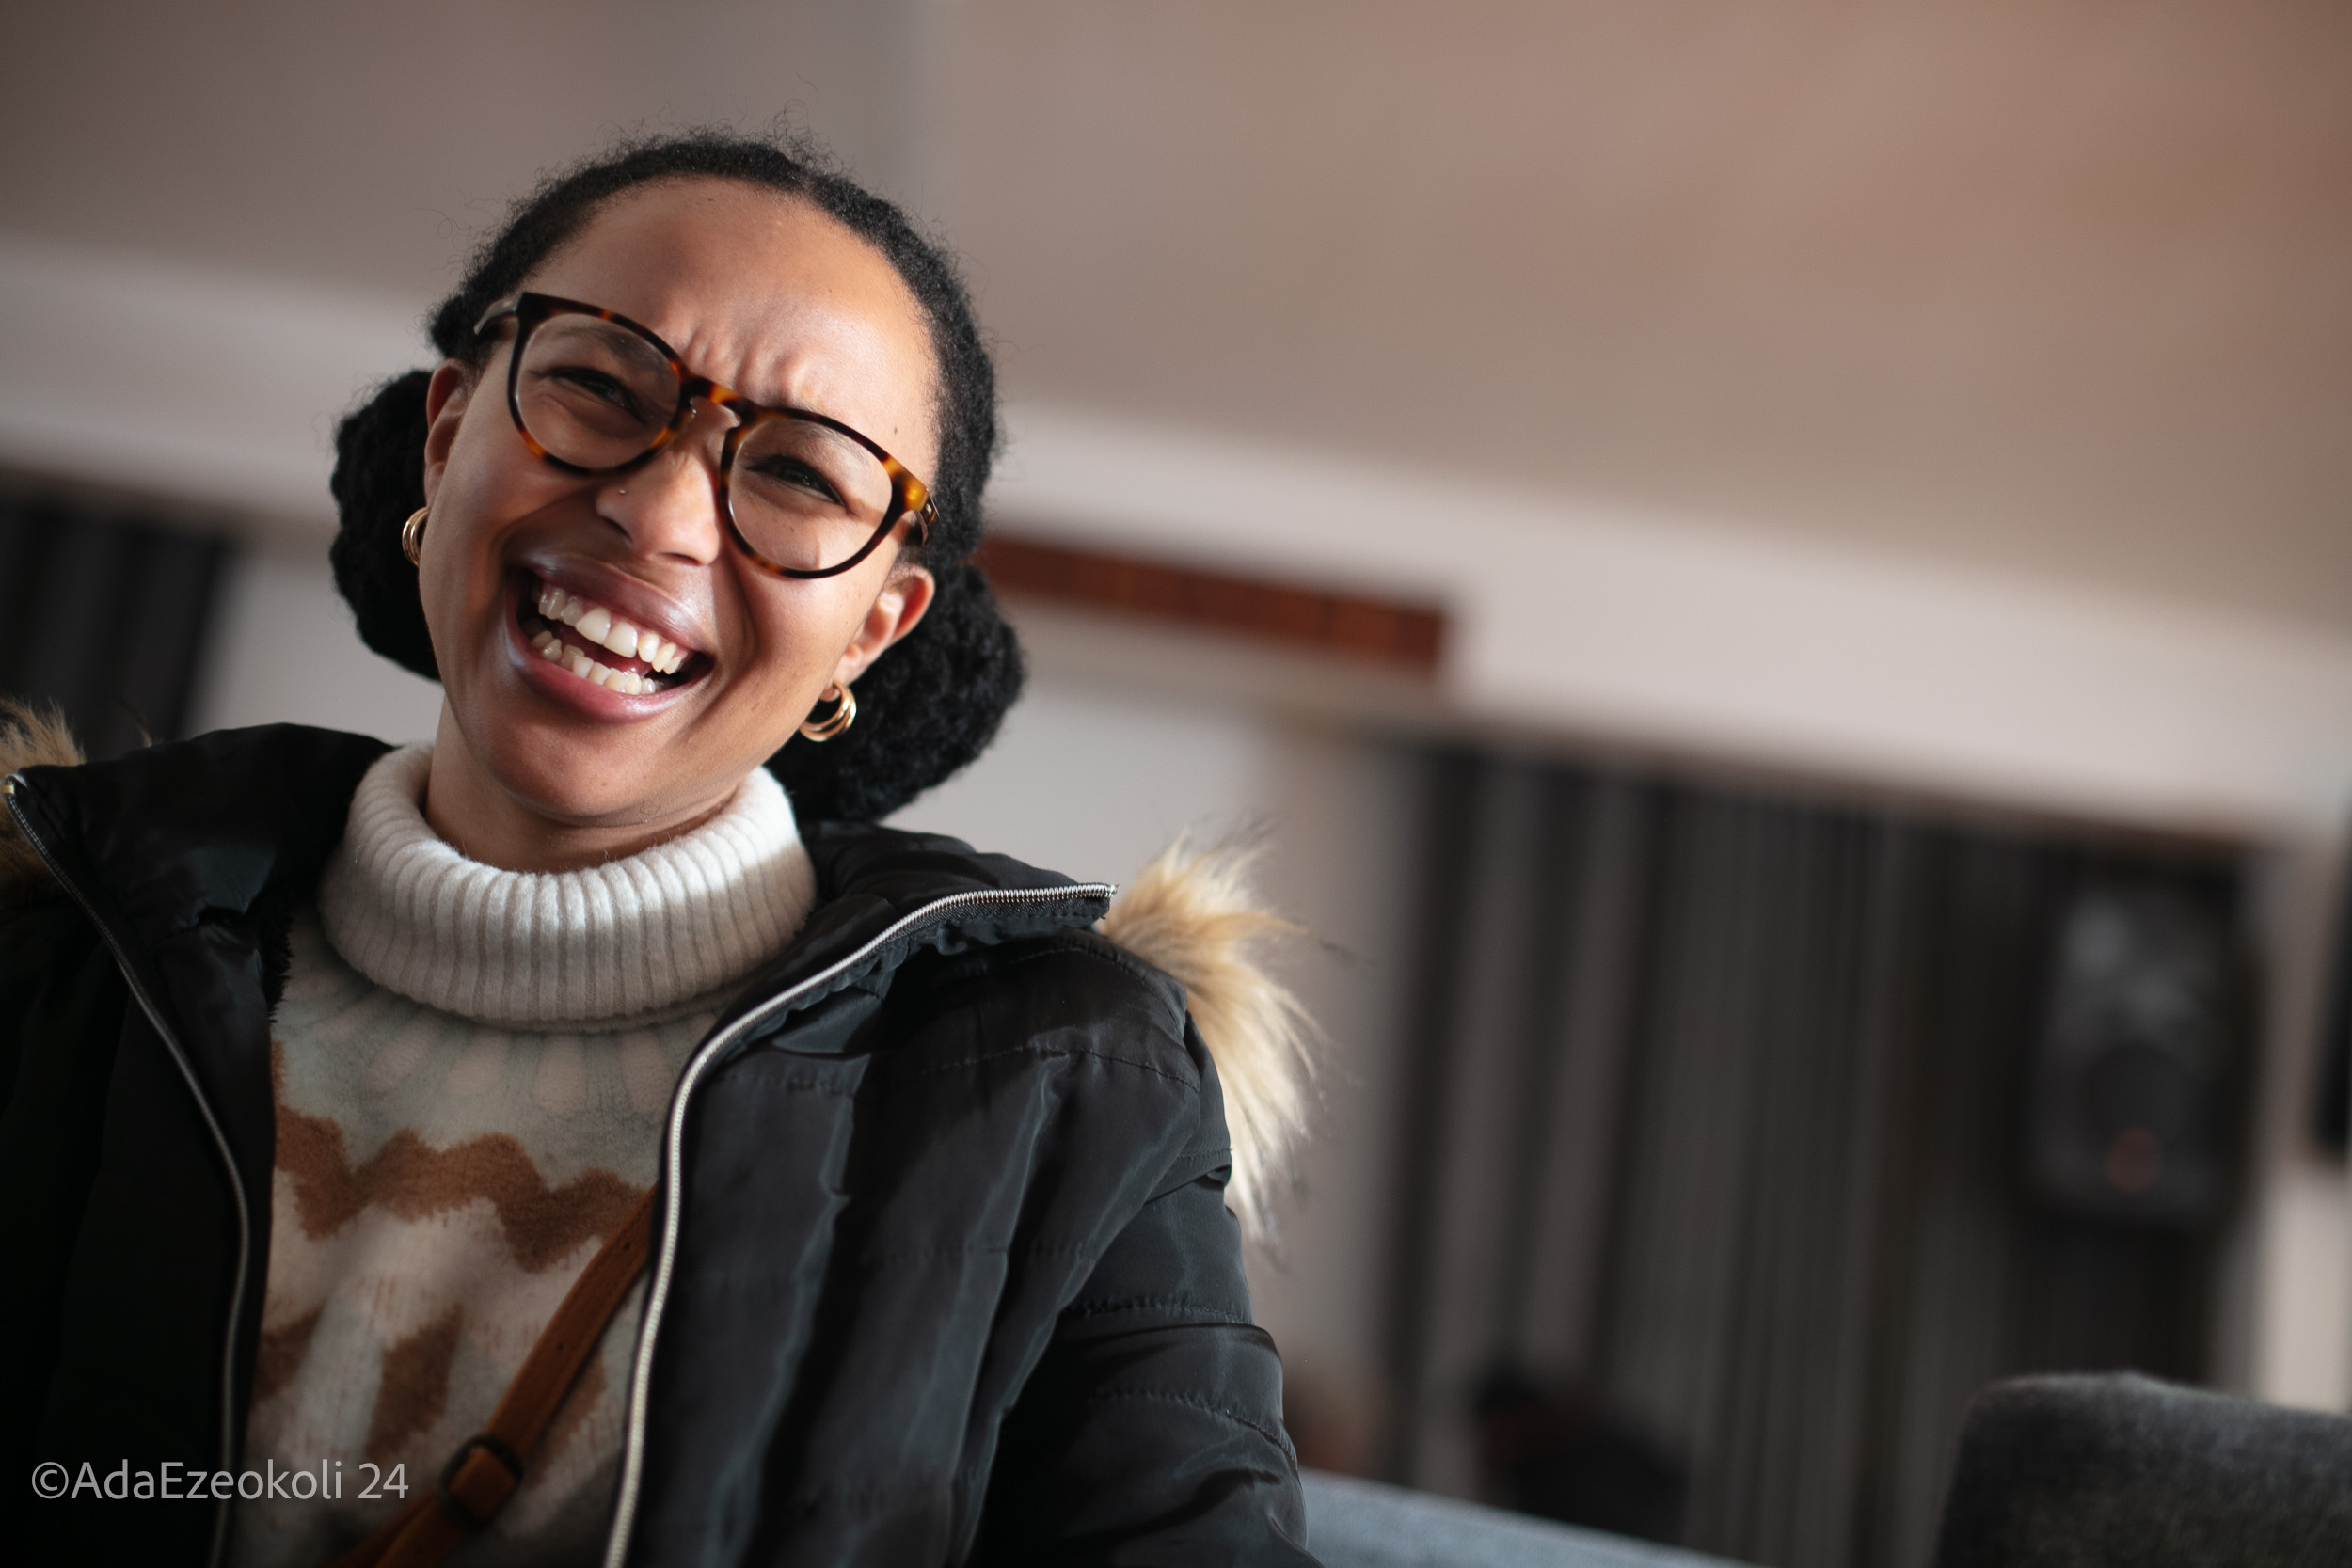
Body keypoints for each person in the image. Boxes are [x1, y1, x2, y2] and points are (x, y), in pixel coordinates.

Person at [0, 133, 1316, 1567]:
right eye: (595, 385)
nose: (658, 509)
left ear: (874, 626)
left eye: (806, 477)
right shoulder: (58, 954)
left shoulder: (1070, 1083)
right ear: (448, 433)